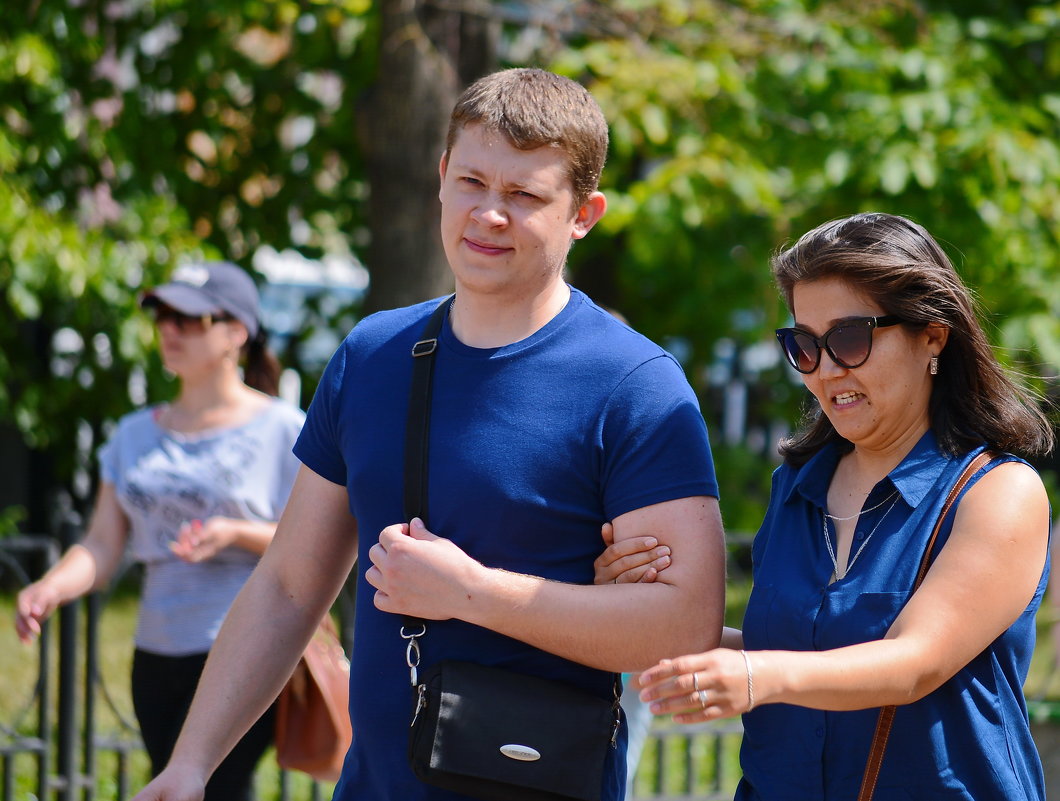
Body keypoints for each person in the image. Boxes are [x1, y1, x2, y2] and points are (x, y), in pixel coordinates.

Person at [129, 67, 727, 801]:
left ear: (585, 214)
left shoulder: (636, 384)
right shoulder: (371, 355)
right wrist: (192, 763)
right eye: (473, 181)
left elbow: (683, 625)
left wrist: (473, 592)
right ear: (441, 176)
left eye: (524, 195)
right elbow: (287, 586)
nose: (489, 214)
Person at [597, 211, 1054, 799]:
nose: (826, 369)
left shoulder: (998, 491)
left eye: (849, 339)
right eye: (804, 345)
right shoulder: (796, 487)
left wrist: (757, 676)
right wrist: (647, 610)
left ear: (932, 337)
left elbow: (914, 662)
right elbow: (786, 654)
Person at [15, 261, 305, 801]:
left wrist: (234, 532)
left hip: (243, 650)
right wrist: (50, 588)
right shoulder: (132, 435)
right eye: (163, 315)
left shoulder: (284, 430)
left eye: (190, 318)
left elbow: (320, 545)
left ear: (235, 332)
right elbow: (102, 544)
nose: (169, 329)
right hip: (155, 654)